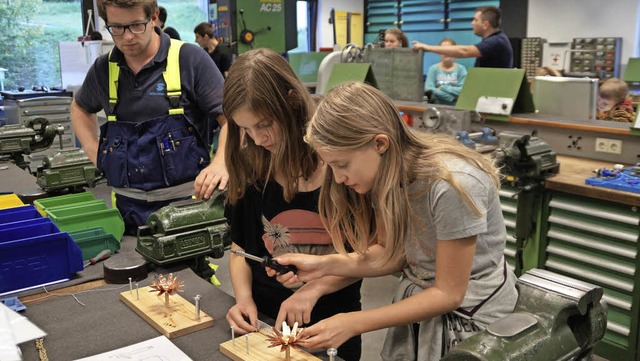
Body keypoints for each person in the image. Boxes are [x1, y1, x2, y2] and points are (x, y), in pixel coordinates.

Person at [274, 82, 518, 360]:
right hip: (422, 302)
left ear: (380, 143)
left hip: (476, 321)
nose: (338, 178)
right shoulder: (385, 177)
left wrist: (352, 322)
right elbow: (392, 257)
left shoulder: (451, 186)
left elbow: (449, 294)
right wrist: (322, 266)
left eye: (342, 165)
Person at [223, 48, 362, 361]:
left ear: (291, 101)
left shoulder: (341, 168)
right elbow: (239, 250)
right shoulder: (252, 168)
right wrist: (243, 299)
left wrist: (313, 288)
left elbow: (371, 256)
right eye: (245, 129)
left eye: (264, 124)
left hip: (332, 326)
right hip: (264, 322)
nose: (257, 140)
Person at [71, 0, 228, 235]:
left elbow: (232, 120)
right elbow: (80, 107)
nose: (127, 37)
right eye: (117, 28)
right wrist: (93, 150)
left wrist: (221, 162)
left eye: (136, 25)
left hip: (189, 207)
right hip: (126, 210)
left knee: (192, 272)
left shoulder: (189, 60)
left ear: (154, 17)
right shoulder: (104, 69)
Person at [412, 6, 513, 68]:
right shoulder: (495, 40)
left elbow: (464, 51)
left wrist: (427, 47)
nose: (472, 23)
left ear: (485, 25)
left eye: (475, 20)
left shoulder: (497, 41)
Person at [425, 38, 467, 105]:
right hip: (436, 106)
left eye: (448, 50)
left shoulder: (461, 69)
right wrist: (450, 98)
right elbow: (429, 88)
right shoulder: (433, 69)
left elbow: (464, 90)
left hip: (456, 108)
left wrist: (442, 88)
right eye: (443, 50)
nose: (446, 53)